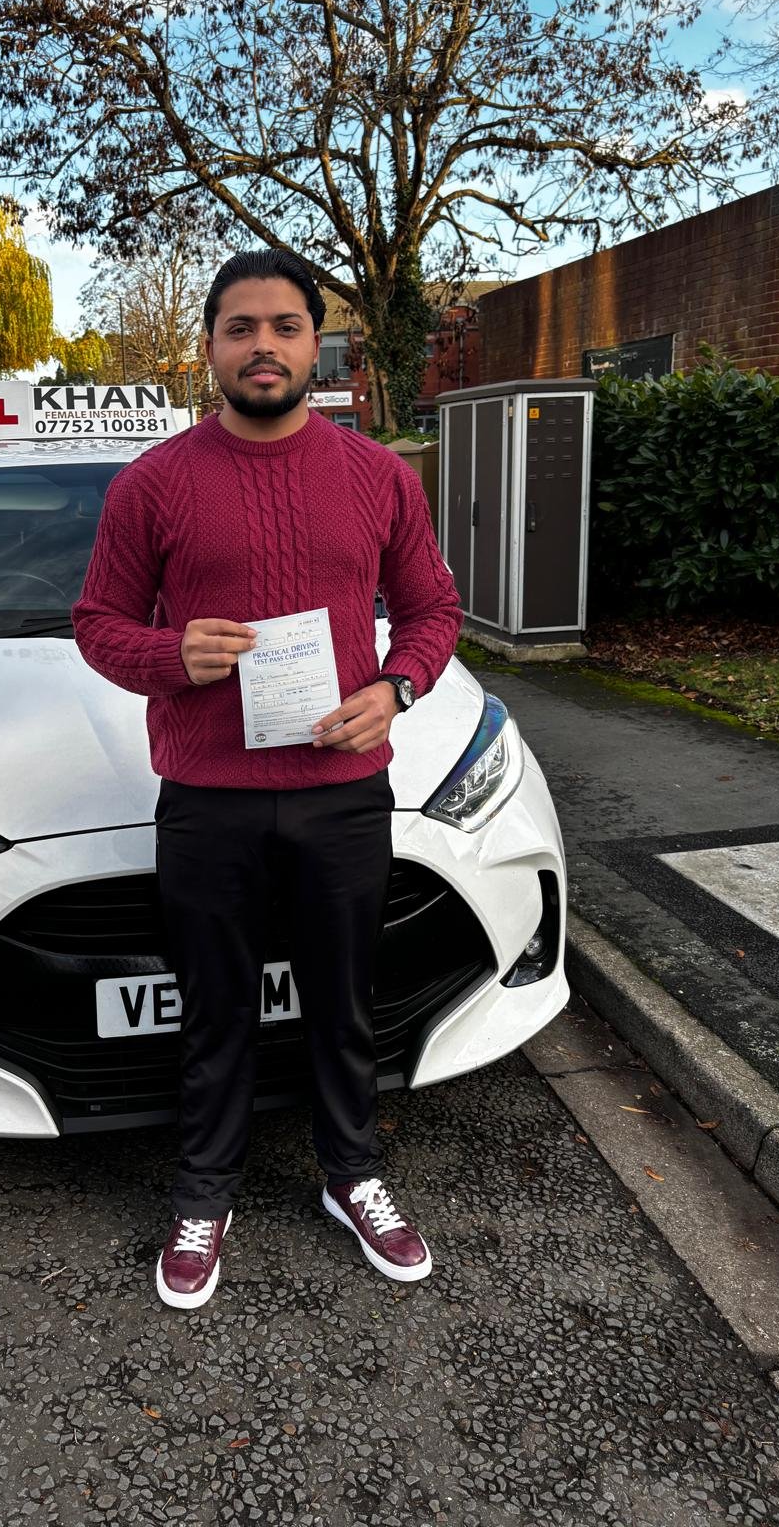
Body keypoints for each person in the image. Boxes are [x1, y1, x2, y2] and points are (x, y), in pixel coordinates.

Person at [72, 249, 463, 1309]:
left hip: (342, 790)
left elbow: (433, 610)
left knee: (344, 1002)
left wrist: (397, 689)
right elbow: (97, 624)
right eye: (240, 328)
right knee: (215, 1012)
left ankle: (354, 1174)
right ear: (208, 347)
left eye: (285, 327)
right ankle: (205, 1190)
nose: (263, 347)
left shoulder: (381, 475)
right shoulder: (152, 484)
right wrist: (169, 655)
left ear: (313, 343)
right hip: (208, 797)